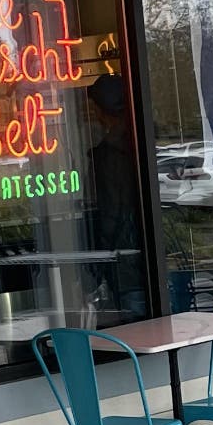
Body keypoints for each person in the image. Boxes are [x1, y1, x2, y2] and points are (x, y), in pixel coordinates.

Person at [86, 73, 145, 319]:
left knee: (135, 322)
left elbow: (111, 211)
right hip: (144, 253)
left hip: (125, 259)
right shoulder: (141, 140)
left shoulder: (109, 154)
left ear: (102, 111)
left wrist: (99, 263)